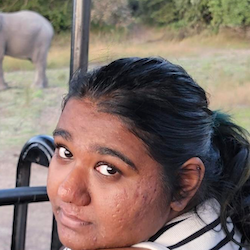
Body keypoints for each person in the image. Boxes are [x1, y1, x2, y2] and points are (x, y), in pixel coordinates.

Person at [47, 57, 250, 250]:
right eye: (66, 152)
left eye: (109, 169)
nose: (68, 191)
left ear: (183, 184)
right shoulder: (215, 215)